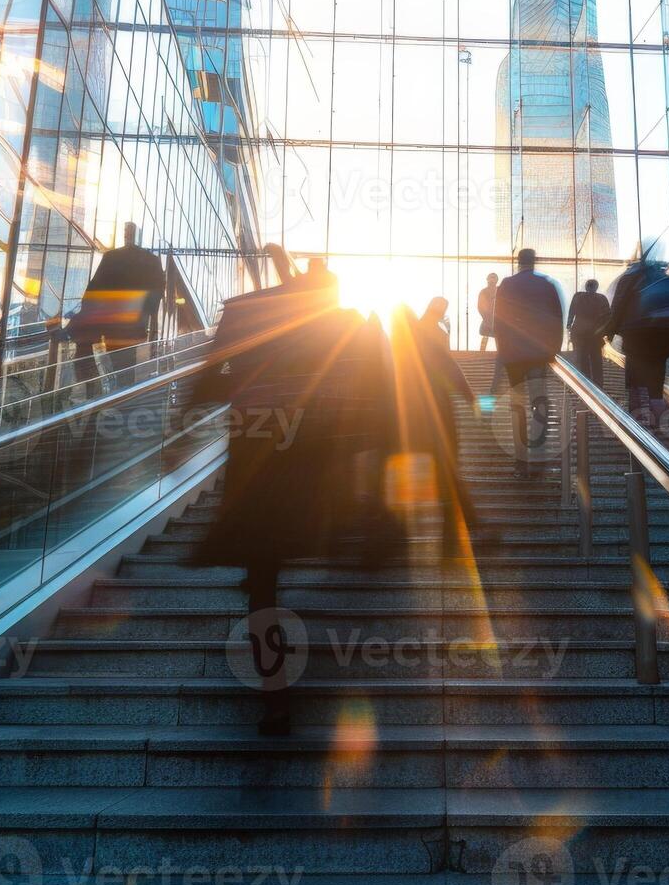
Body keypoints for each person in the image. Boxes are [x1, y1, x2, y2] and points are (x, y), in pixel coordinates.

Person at [196, 253, 395, 735]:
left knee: (262, 583)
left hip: (257, 468)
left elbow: (209, 380)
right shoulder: (346, 326)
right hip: (314, 472)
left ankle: (275, 694)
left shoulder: (252, 318)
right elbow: (380, 392)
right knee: (295, 554)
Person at [390, 298, 479, 556]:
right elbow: (450, 369)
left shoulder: (395, 346)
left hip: (410, 420)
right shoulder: (430, 337)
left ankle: (397, 536)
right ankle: (452, 544)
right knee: (447, 478)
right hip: (438, 419)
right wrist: (470, 399)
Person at [67, 222, 167, 396]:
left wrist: (86, 316)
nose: (127, 235)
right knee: (125, 366)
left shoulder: (112, 258)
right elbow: (156, 294)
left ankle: (112, 397)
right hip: (133, 325)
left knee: (117, 366)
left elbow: (94, 289)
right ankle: (122, 397)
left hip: (113, 325)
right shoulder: (150, 260)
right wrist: (152, 326)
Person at [493, 249, 564, 479]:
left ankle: (520, 462)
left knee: (518, 407)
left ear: (518, 262)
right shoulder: (547, 285)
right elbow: (556, 320)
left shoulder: (507, 284)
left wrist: (503, 352)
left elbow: (499, 321)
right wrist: (553, 350)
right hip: (537, 354)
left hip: (513, 356)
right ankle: (539, 458)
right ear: (534, 262)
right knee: (539, 404)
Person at [601, 251, 669, 429]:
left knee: (634, 379)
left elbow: (618, 306)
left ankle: (636, 421)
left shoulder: (630, 279)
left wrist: (609, 333)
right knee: (656, 380)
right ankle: (657, 418)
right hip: (664, 340)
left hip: (637, 337)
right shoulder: (665, 280)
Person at [567, 278, 611, 389]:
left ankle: (584, 385)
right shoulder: (602, 299)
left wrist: (569, 326)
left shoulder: (578, 296)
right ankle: (598, 386)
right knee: (596, 360)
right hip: (595, 336)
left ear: (586, 286)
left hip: (579, 334)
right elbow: (608, 317)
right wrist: (606, 332)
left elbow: (571, 312)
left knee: (581, 360)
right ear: (596, 287)